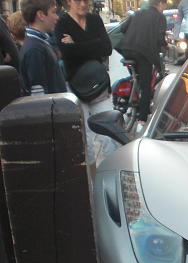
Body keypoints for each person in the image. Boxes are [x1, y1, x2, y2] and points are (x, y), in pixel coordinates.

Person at [55, 0, 114, 169]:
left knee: (109, 133)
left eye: (86, 0)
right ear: (69, 2)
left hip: (99, 84)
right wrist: (94, 44)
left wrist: (77, 44)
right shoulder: (62, 22)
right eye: (79, 0)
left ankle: (113, 174)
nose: (83, 4)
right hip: (76, 87)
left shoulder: (95, 19)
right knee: (84, 140)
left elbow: (107, 47)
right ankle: (91, 182)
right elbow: (66, 52)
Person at [117, 0, 168, 128]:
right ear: (162, 3)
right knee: (146, 85)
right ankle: (142, 119)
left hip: (127, 50)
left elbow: (123, 28)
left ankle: (133, 92)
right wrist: (166, 46)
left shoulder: (138, 13)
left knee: (137, 76)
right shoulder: (160, 17)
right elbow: (160, 38)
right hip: (143, 53)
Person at [19, 0, 66, 95]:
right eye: (53, 12)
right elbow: (38, 96)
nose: (57, 17)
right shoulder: (35, 49)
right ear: (41, 15)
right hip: (52, 108)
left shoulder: (40, 43)